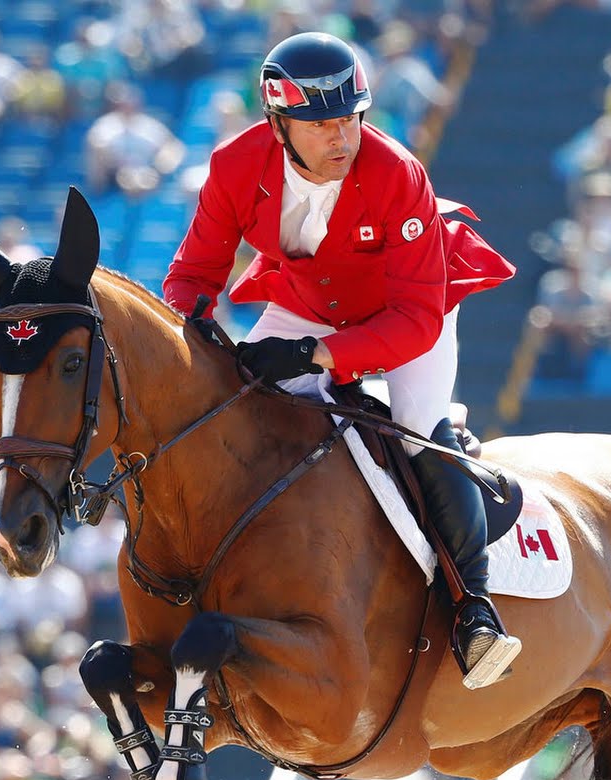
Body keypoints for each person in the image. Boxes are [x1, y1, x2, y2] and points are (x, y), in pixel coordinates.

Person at [161, 32, 520, 689]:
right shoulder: (236, 167)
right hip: (305, 303)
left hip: (406, 310)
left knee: (419, 429)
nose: (343, 138)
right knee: (242, 412)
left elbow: (413, 319)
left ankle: (476, 610)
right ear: (278, 125)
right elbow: (194, 275)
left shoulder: (396, 172)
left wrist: (316, 353)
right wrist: (198, 336)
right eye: (322, 125)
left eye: (351, 119)